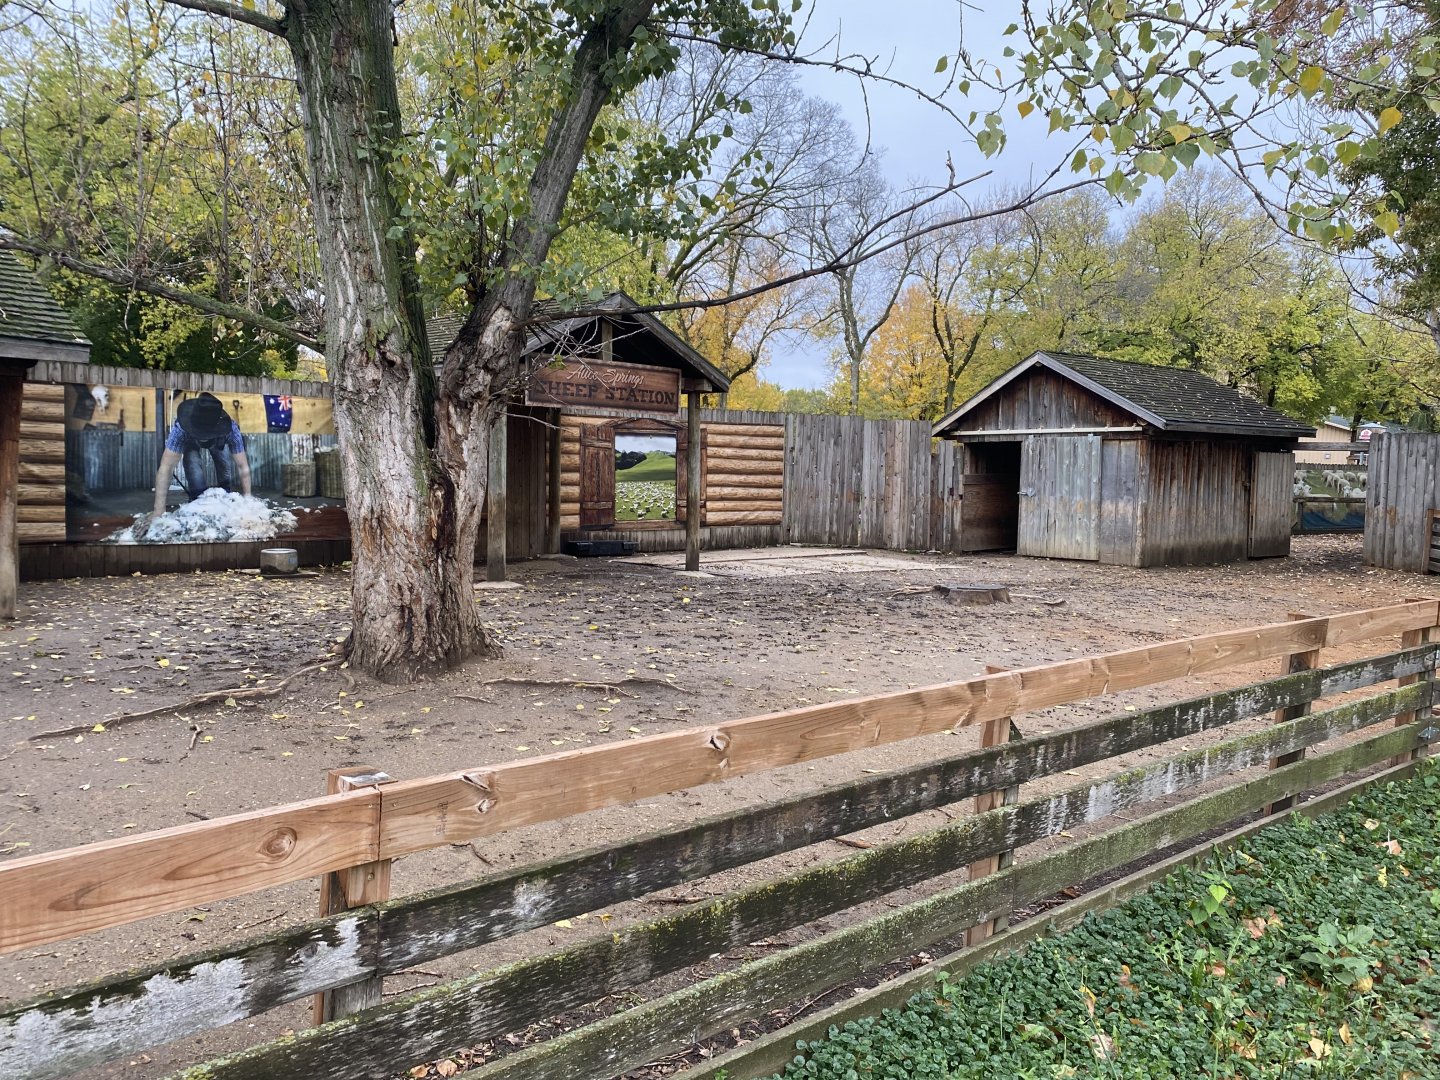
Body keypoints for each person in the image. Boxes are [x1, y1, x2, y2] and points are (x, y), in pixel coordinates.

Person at [152, 393, 252, 516]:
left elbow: (243, 466)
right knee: (192, 462)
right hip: (191, 439)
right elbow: (166, 468)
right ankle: (198, 501)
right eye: (201, 434)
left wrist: (248, 500)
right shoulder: (181, 429)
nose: (203, 438)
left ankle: (224, 497)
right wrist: (158, 509)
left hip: (218, 439)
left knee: (223, 462)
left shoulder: (231, 430)